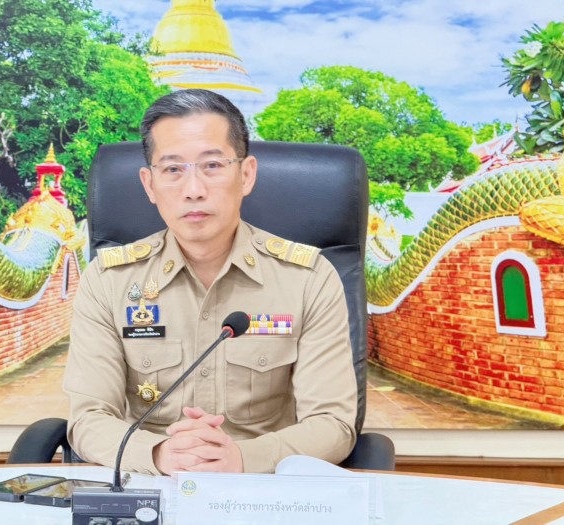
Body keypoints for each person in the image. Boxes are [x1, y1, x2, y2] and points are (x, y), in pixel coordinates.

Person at [63, 88, 357, 475]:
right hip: (151, 483)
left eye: (213, 166)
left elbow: (333, 425)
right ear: (149, 184)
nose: (194, 190)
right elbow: (87, 419)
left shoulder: (308, 279)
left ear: (246, 174)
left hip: (262, 488)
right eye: (173, 170)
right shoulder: (109, 281)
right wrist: (159, 453)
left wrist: (240, 459)